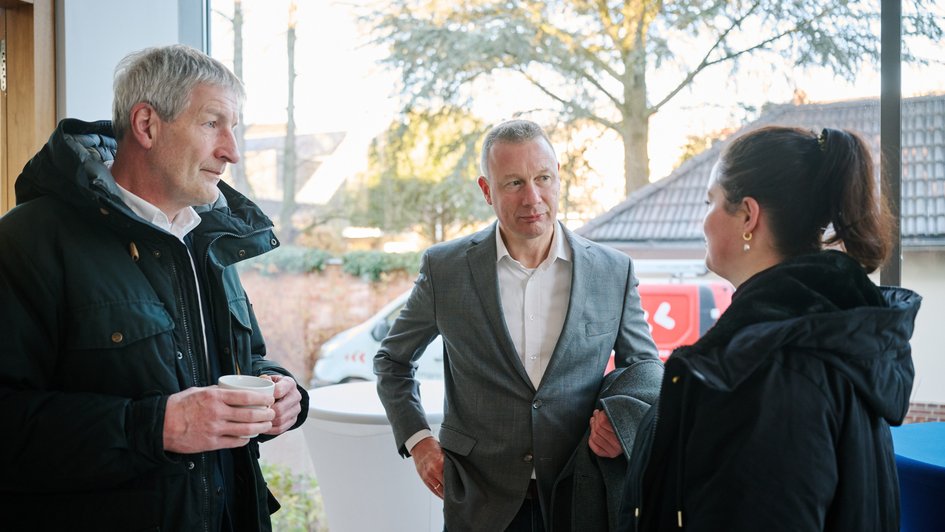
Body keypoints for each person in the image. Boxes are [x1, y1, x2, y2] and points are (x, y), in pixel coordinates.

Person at [0, 45, 308, 531]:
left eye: (233, 128)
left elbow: (244, 359)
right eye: (212, 124)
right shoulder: (28, 240)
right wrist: (158, 426)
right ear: (146, 125)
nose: (231, 151)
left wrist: (281, 390)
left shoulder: (205, 240)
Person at [618, 126, 922, 531]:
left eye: (710, 201)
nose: (703, 221)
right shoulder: (830, 331)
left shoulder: (768, 371)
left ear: (748, 215)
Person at [374, 118, 661, 531]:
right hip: (477, 499)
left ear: (558, 176)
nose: (533, 198)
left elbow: (645, 369)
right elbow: (392, 362)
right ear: (486, 190)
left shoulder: (612, 270)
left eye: (543, 178)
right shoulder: (445, 269)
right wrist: (419, 442)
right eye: (514, 183)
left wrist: (624, 424)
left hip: (581, 495)